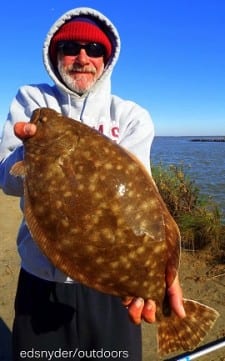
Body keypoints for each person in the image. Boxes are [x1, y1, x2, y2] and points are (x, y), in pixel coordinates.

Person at [0, 6, 185, 361]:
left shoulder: (131, 116)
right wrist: (31, 153)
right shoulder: (32, 100)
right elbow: (8, 181)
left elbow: (139, 195)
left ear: (107, 58)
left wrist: (163, 272)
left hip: (110, 293)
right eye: (70, 48)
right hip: (41, 277)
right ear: (54, 56)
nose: (83, 58)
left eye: (95, 49)